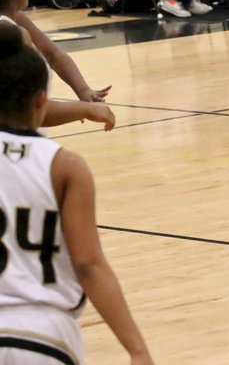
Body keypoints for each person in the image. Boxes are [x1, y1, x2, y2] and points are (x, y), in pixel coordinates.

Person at [0, 24, 154, 365]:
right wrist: (137, 350)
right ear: (42, 100)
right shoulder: (64, 167)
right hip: (42, 337)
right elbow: (88, 265)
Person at [0, 0, 115, 130]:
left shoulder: (15, 20)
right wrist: (85, 109)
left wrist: (83, 90)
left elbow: (52, 53)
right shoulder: (13, 35)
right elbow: (27, 110)